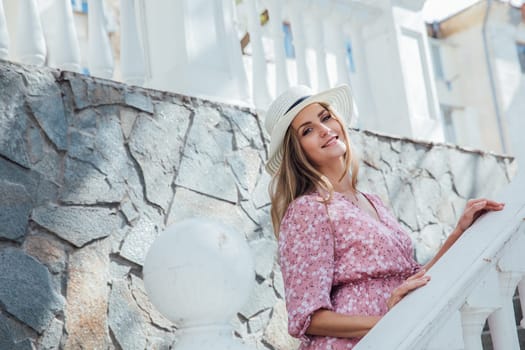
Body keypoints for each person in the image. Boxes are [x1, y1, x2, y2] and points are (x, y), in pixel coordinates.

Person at [264, 84, 504, 350]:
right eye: (307, 130)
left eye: (325, 117)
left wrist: (459, 232)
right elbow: (306, 317)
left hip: (401, 335)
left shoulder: (372, 202)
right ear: (298, 151)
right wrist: (386, 322)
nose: (324, 129)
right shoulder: (308, 209)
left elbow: (411, 278)